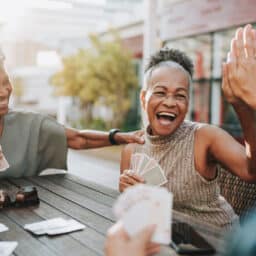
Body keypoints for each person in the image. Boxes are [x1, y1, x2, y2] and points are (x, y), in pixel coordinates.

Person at [118, 28, 256, 228]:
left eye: (180, 95)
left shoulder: (204, 137)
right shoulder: (131, 150)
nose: (170, 102)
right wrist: (128, 196)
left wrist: (242, 107)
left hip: (216, 241)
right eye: (160, 92)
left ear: (188, 103)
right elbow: (134, 218)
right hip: (167, 243)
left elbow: (251, 172)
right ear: (143, 98)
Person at [0, 52, 144, 179]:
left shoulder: (30, 125)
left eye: (6, 82)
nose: (4, 92)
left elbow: (79, 139)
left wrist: (118, 137)